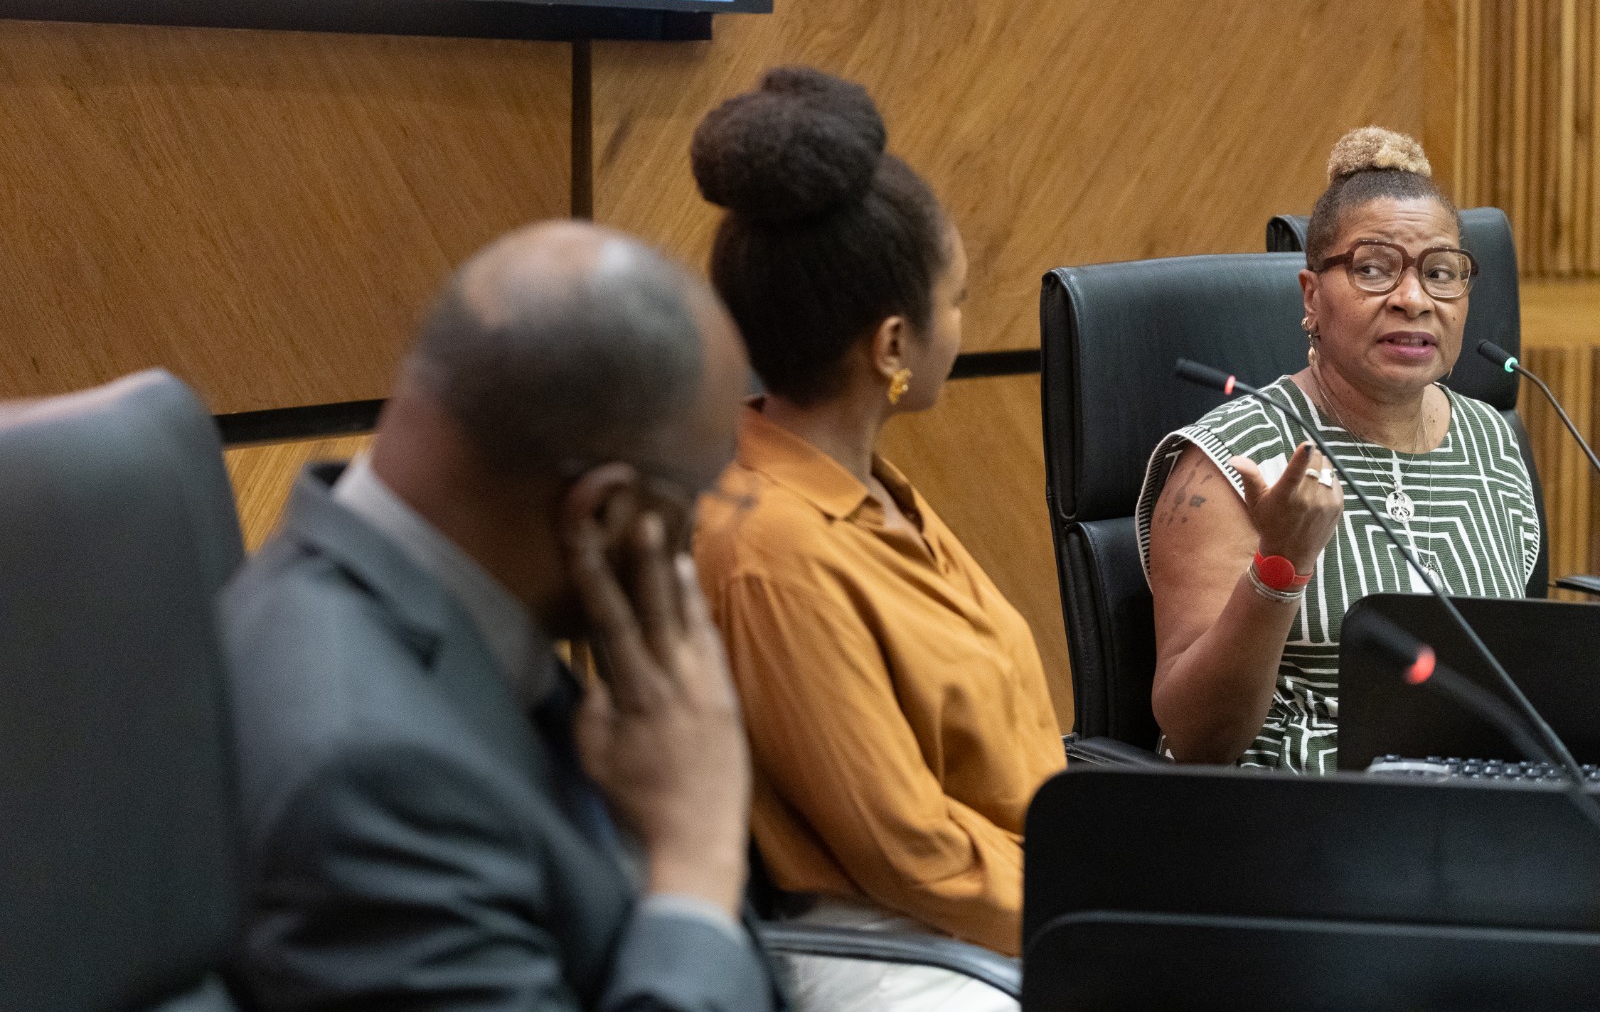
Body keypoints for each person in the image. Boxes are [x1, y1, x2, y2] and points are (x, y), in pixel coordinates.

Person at [220, 221, 783, 1011]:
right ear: (603, 516)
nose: (708, 528)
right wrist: (697, 858)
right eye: (710, 494)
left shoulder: (456, 606)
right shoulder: (367, 777)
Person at [688, 67, 1063, 1009]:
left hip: (1009, 912)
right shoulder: (770, 548)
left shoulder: (871, 489)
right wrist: (1103, 907)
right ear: (893, 346)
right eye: (961, 298)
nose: (964, 324)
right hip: (898, 953)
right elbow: (909, 853)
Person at [1138, 127, 1540, 774]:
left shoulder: (1491, 440)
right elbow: (1198, 741)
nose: (1413, 300)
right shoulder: (1230, 460)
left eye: (1440, 274)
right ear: (1310, 297)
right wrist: (1280, 567)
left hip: (1475, 814)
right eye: (1373, 269)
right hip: (1298, 821)